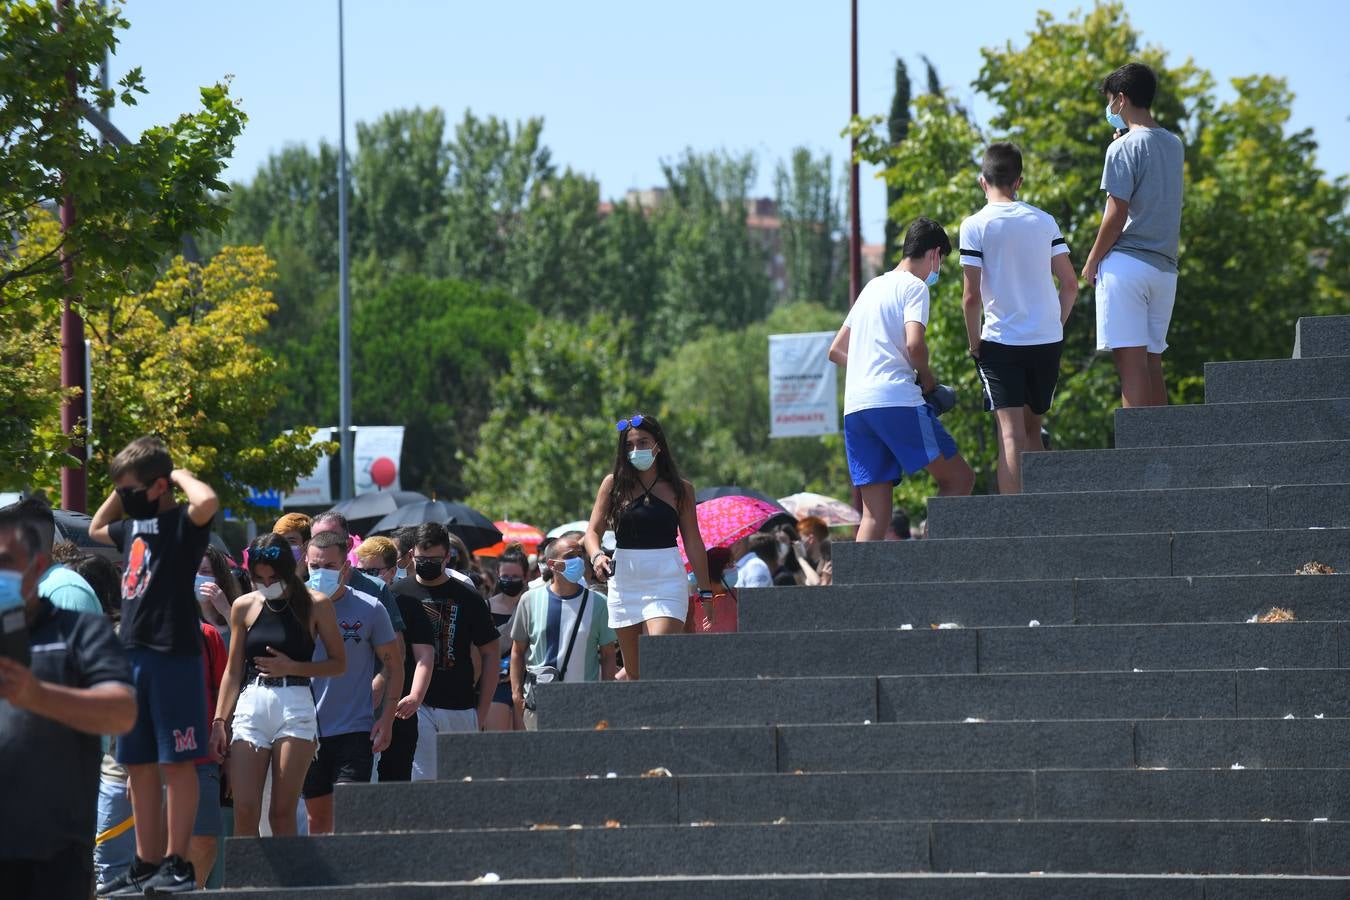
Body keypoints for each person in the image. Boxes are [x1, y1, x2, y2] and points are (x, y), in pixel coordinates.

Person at [88, 436, 219, 894]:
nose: (125, 499)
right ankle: (145, 864)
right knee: (138, 765)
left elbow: (207, 500)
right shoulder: (133, 527)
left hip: (172, 655)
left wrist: (177, 473)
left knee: (177, 764)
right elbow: (97, 528)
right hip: (133, 654)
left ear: (160, 485)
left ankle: (176, 863)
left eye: (132, 490)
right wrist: (123, 489)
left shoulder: (182, 522)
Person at [0, 501, 137, 899]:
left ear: (38, 564)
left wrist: (37, 695)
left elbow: (121, 712)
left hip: (54, 848)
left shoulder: (78, 626)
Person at [828, 217, 975, 542]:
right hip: (897, 401)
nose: (934, 272)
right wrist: (928, 379)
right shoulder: (914, 286)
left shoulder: (871, 288)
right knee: (959, 479)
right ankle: (930, 557)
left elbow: (836, 350)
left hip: (856, 408)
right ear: (934, 254)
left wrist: (870, 367)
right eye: (939, 263)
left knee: (874, 514)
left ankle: (856, 591)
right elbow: (914, 344)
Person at [208, 534, 345, 838]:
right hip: (251, 702)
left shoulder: (316, 604)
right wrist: (219, 721)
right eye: (259, 577)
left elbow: (338, 663)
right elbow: (232, 670)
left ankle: (287, 884)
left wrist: (294, 666)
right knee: (244, 810)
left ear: (289, 570)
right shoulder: (243, 605)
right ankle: (249, 884)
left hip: (295, 703)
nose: (266, 582)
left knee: (281, 814)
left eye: (273, 576)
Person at [960, 142, 1078, 494]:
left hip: (1000, 341)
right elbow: (1070, 284)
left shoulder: (975, 225)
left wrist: (973, 343)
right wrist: (1054, 326)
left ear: (983, 181)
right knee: (1033, 431)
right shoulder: (1044, 221)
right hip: (1045, 339)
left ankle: (1015, 524)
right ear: (1019, 182)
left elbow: (971, 297)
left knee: (1010, 434)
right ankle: (1043, 512)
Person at [1081, 62, 1185, 409]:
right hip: (1165, 270)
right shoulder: (1174, 144)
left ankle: (1135, 459)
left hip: (1127, 266)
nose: (1110, 109)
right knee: (1152, 362)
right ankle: (1166, 451)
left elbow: (1116, 211)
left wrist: (1093, 259)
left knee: (1130, 366)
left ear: (1121, 99)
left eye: (1111, 101)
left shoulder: (1120, 149)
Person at [583, 413, 714, 681]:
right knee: (635, 673)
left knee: (658, 657)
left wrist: (706, 592)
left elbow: (693, 542)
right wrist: (596, 556)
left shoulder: (681, 489)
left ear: (659, 445)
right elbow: (592, 532)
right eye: (629, 445)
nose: (636, 450)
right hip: (624, 581)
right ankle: (647, 723)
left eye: (643, 442)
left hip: (666, 579)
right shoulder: (613, 484)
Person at [300, 532, 400, 834]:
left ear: (346, 566)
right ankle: (323, 881)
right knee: (317, 819)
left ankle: (354, 876)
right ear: (305, 563)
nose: (321, 573)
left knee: (350, 815)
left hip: (354, 729)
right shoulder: (290, 606)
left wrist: (387, 718)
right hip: (305, 730)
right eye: (315, 566)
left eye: (329, 566)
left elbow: (394, 665)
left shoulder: (370, 608)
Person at [392, 523, 499, 780]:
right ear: (411, 555)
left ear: (448, 556)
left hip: (460, 706)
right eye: (421, 559)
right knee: (422, 783)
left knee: (460, 785)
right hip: (413, 706)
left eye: (434, 559)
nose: (426, 564)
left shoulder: (468, 596)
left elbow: (491, 653)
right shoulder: (397, 593)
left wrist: (481, 712)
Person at [510, 537, 618, 730]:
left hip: (586, 704)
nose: (578, 560)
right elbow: (517, 652)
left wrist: (607, 696)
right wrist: (517, 696)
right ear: (552, 565)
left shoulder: (599, 603)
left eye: (580, 555)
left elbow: (608, 654)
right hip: (539, 704)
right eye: (570, 556)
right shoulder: (529, 600)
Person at [355, 536, 434, 782]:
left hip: (399, 704)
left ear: (391, 571)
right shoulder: (350, 600)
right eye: (361, 570)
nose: (365, 576)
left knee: (396, 775)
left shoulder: (408, 602)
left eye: (372, 571)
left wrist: (414, 696)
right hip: (361, 701)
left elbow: (422, 655)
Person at [483, 543, 530, 731]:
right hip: (495, 684)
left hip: (527, 682)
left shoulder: (533, 605)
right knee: (496, 743)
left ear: (526, 576)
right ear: (497, 574)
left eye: (516, 577)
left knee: (527, 745)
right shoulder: (486, 607)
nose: (510, 581)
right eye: (505, 576)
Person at [197, 545, 243, 636]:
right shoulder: (181, 617)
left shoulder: (239, 612)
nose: (197, 577)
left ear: (219, 578)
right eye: (191, 571)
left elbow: (246, 643)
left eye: (205, 571)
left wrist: (226, 610)